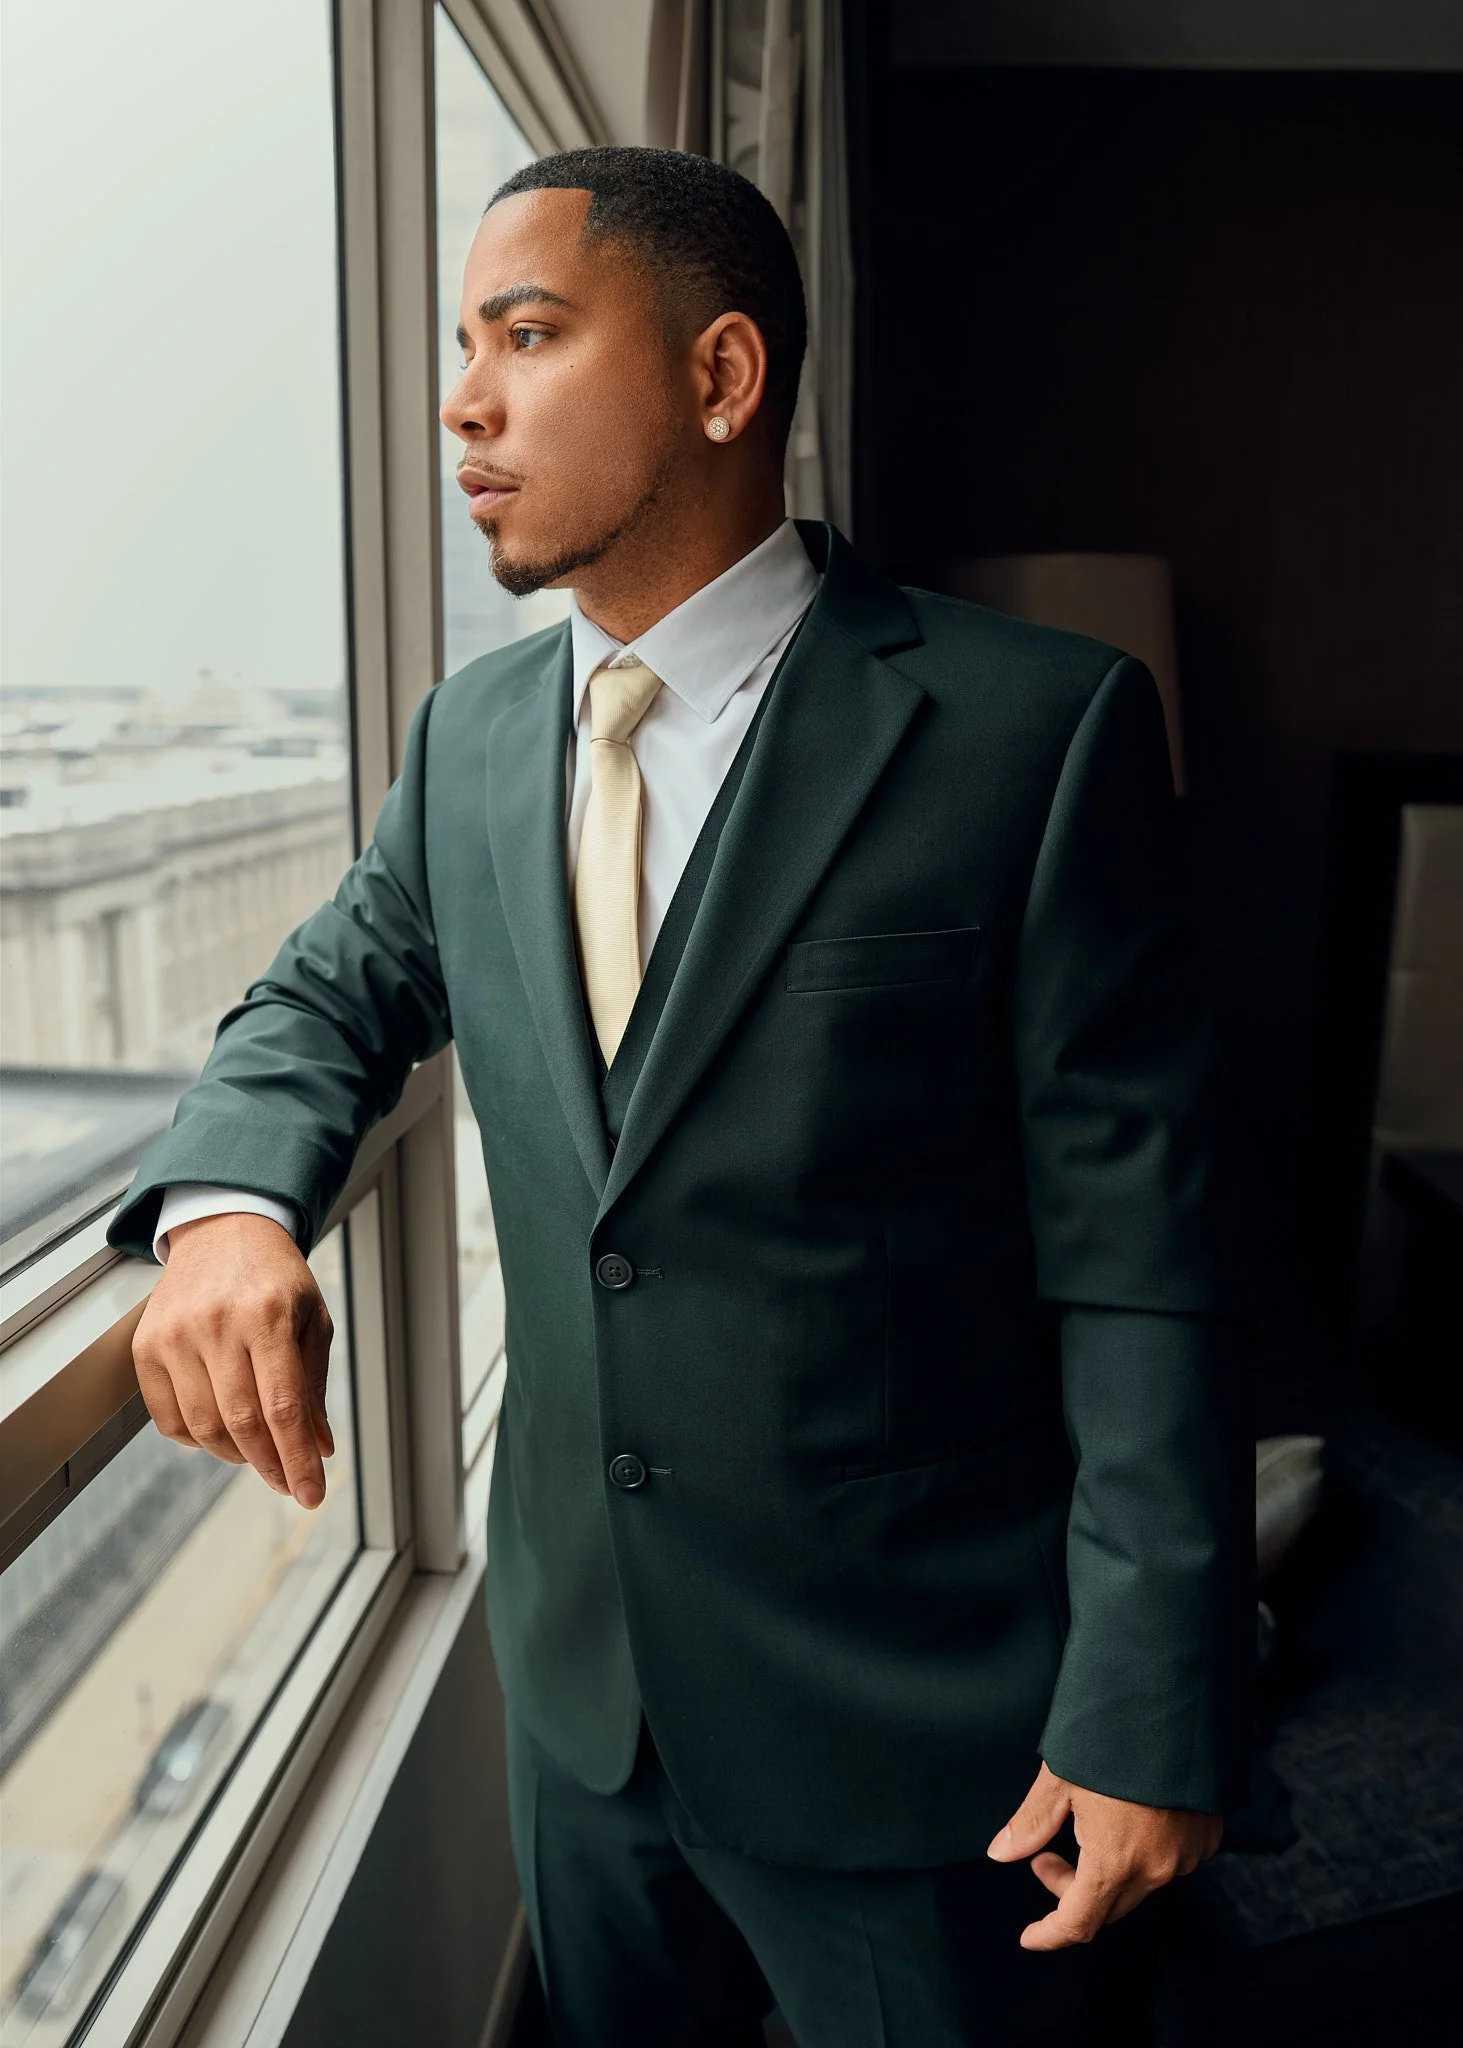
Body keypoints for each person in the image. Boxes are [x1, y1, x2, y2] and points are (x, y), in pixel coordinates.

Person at [109, 146, 1254, 2045]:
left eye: (526, 335)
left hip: (928, 1735)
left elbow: (1140, 1259)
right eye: (460, 345)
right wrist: (230, 1210)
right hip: (585, 1709)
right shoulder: (470, 735)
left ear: (722, 378)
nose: (461, 401)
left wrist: (1151, 1694)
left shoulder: (1035, 730)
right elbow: (331, 990)